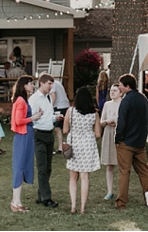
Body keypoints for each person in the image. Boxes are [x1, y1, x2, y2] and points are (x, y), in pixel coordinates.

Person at [114, 73, 148, 210]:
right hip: (140, 141)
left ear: (127, 86)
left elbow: (122, 121)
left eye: (120, 84)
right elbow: (147, 120)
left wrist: (117, 138)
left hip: (126, 142)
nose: (119, 86)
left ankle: (121, 202)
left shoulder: (126, 101)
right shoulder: (144, 99)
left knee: (124, 172)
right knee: (144, 170)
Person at [64, 86, 102, 214]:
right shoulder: (94, 114)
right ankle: (82, 208)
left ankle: (73, 205)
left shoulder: (70, 111)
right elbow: (98, 134)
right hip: (87, 145)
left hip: (74, 145)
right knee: (85, 177)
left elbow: (65, 130)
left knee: (73, 177)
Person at [10, 75, 43, 212]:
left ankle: (17, 201)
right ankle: (15, 202)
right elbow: (19, 121)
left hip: (26, 135)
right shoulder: (21, 101)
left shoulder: (22, 100)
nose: (33, 86)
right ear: (24, 85)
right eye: (31, 84)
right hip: (23, 136)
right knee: (20, 166)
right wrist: (33, 117)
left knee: (22, 166)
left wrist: (33, 116)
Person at [28, 73, 60, 208]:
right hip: (38, 135)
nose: (51, 87)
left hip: (49, 134)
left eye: (52, 84)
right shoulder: (34, 99)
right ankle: (46, 198)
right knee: (42, 167)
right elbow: (32, 117)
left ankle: (42, 194)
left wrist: (55, 118)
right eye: (49, 84)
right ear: (41, 83)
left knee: (48, 168)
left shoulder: (47, 98)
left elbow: (47, 116)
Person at [100, 83, 122, 200]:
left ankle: (121, 191)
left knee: (122, 164)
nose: (112, 92)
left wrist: (116, 122)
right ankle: (110, 191)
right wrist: (106, 121)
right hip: (109, 133)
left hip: (119, 133)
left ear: (120, 93)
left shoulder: (123, 104)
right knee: (109, 165)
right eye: (111, 90)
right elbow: (101, 121)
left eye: (115, 90)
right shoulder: (107, 104)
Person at [50, 79, 70, 154]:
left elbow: (53, 97)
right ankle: (69, 145)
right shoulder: (58, 82)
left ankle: (60, 148)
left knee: (57, 127)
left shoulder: (52, 84)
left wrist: (49, 107)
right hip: (65, 105)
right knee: (66, 126)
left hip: (59, 107)